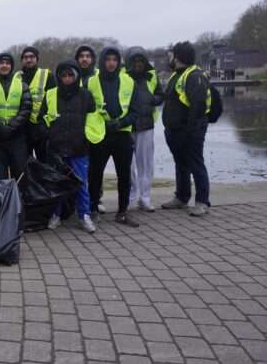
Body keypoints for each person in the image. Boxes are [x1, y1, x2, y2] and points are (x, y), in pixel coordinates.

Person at [40, 60, 102, 233]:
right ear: (59, 77)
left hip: (79, 148)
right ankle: (56, 215)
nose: (67, 78)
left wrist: (85, 139)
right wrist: (49, 135)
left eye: (70, 75)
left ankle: (84, 216)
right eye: (64, 75)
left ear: (76, 77)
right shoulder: (50, 94)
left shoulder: (86, 95)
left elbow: (93, 121)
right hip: (56, 149)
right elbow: (42, 119)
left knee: (82, 184)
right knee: (57, 184)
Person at [88, 47, 140, 227]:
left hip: (122, 134)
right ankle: (93, 209)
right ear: (102, 61)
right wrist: (103, 125)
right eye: (108, 59)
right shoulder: (91, 82)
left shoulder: (128, 81)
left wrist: (121, 123)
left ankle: (122, 212)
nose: (111, 63)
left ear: (118, 62)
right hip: (100, 135)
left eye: (114, 60)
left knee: (124, 175)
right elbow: (87, 110)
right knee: (95, 174)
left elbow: (135, 111)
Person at [161, 41, 211, 217]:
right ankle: (182, 197)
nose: (169, 58)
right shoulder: (177, 75)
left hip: (190, 131)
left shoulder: (194, 76)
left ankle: (202, 202)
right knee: (181, 164)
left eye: (171, 55)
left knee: (196, 164)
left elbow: (198, 105)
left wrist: (190, 130)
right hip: (174, 130)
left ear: (177, 57)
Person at [125, 47, 164, 212]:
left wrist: (152, 99)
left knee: (146, 164)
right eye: (134, 61)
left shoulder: (152, 75)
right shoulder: (122, 76)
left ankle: (145, 197)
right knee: (127, 165)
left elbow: (161, 95)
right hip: (127, 126)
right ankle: (130, 196)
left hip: (146, 125)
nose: (138, 64)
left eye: (140, 60)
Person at [0, 52, 32, 180]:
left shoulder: (22, 84)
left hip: (17, 137)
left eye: (7, 63)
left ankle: (19, 194)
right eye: (1, 63)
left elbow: (26, 108)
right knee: (0, 176)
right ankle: (3, 195)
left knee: (20, 175)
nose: (4, 66)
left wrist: (12, 126)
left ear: (11, 66)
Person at [75, 44, 106, 214]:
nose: (84, 59)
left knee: (95, 166)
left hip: (95, 127)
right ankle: (77, 200)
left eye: (88, 56)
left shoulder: (99, 76)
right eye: (81, 56)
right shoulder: (72, 75)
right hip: (77, 127)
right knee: (78, 166)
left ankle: (96, 199)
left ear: (93, 59)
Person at [16, 46, 56, 161]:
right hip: (23, 127)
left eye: (31, 57)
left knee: (44, 163)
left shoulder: (47, 75)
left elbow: (53, 100)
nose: (28, 60)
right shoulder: (17, 77)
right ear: (22, 60)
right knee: (25, 163)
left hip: (41, 126)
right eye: (25, 57)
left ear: (37, 59)